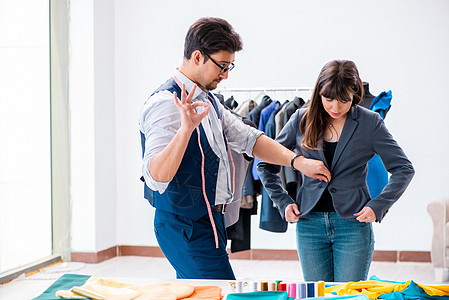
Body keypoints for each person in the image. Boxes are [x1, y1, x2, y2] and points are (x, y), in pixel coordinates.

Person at [139, 17, 329, 280]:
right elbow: (156, 176)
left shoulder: (209, 100)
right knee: (219, 290)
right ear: (197, 57)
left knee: (200, 294)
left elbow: (250, 139)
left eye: (230, 67)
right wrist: (185, 130)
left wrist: (298, 162)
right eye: (222, 66)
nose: (226, 74)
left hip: (209, 221)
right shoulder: (165, 104)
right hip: (185, 225)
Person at [257, 60, 415, 282]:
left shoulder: (370, 122)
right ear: (319, 92)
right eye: (328, 99)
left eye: (344, 100)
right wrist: (283, 201)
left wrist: (378, 206)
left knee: (347, 296)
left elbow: (403, 168)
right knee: (317, 297)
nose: (335, 108)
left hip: (352, 225)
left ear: (355, 94)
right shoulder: (300, 119)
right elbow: (265, 163)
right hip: (309, 224)